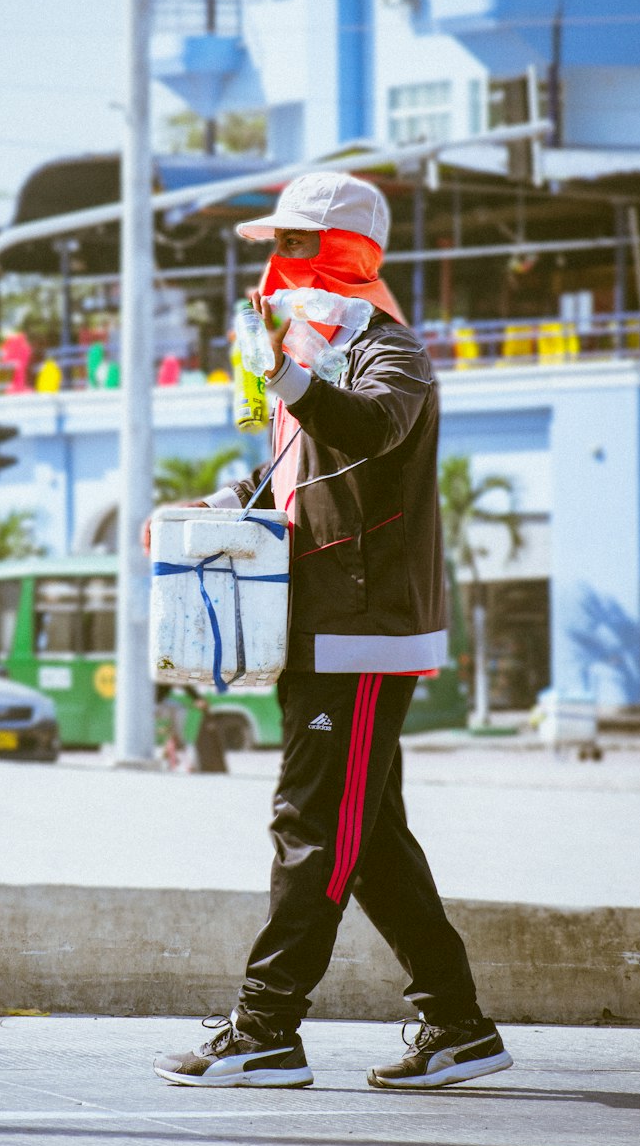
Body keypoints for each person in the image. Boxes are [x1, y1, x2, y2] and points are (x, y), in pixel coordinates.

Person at [151, 172, 512, 1091]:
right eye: (277, 246)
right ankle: (460, 1026)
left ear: (345, 250)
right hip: (316, 621)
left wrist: (283, 371)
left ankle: (267, 1028)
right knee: (370, 838)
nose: (279, 263)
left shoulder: (389, 353)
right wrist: (213, 505)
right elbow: (287, 480)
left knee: (312, 825)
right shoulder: (305, 355)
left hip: (364, 632)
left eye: (297, 244)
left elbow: (372, 430)